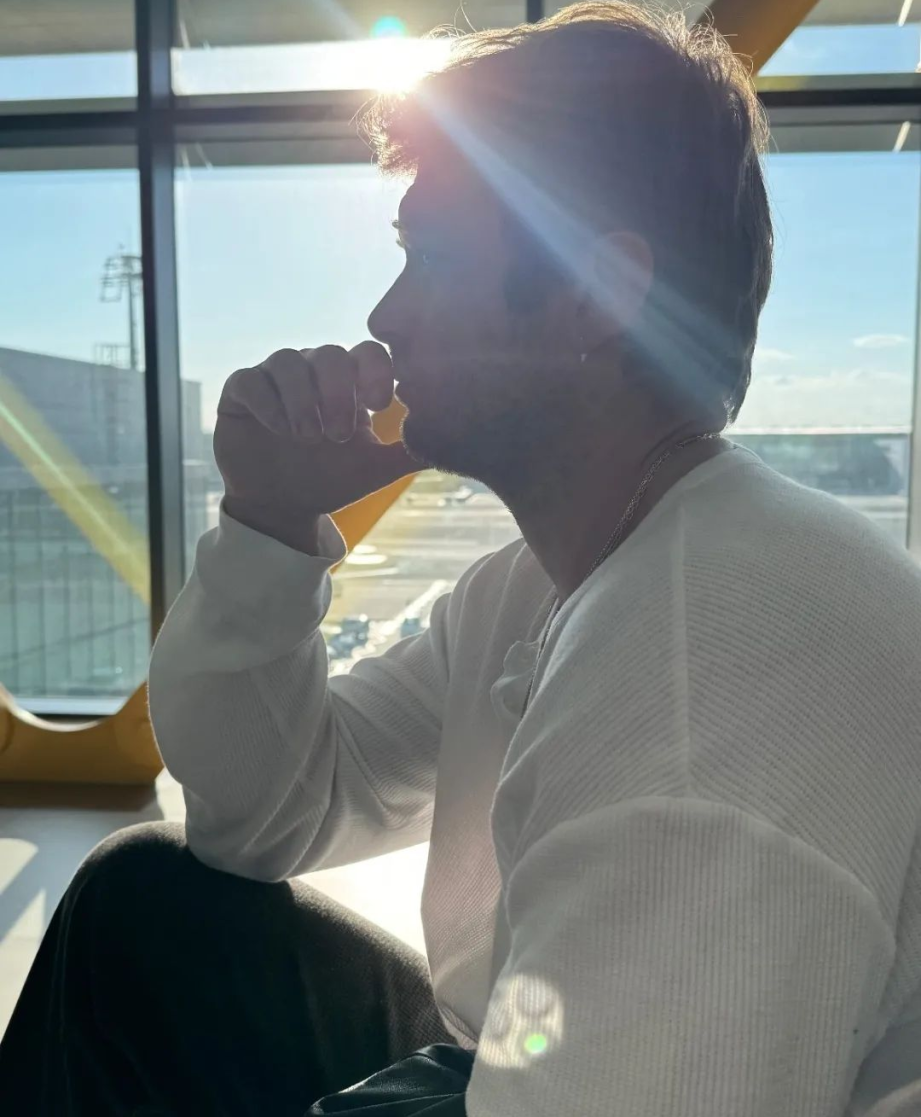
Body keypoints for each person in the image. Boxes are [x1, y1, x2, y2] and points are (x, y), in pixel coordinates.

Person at [3, 3, 921, 1115]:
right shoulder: (544, 581)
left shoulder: (708, 678)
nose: (386, 312)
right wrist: (270, 521)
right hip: (522, 1058)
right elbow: (266, 816)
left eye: (431, 255)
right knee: (143, 907)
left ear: (596, 295)